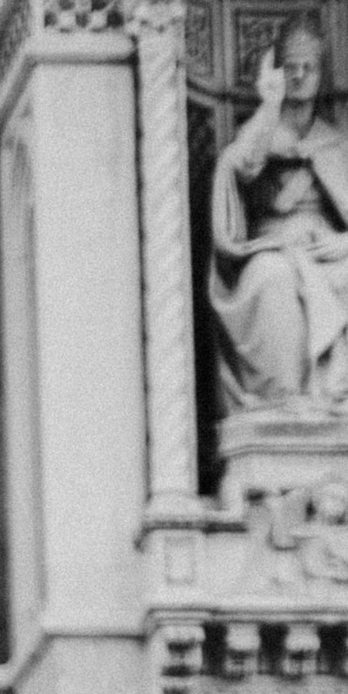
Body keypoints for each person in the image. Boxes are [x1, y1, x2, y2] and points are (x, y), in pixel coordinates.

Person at [211, 15, 348, 415]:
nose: (300, 76)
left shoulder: (335, 142)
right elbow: (239, 167)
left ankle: (334, 394)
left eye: (309, 67)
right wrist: (269, 107)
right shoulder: (260, 133)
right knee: (272, 277)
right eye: (291, 67)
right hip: (271, 247)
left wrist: (343, 242)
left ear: (322, 74)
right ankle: (286, 397)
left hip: (327, 253)